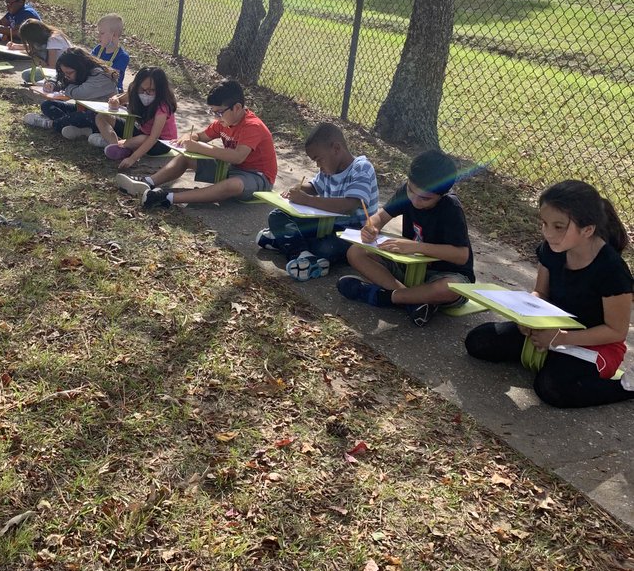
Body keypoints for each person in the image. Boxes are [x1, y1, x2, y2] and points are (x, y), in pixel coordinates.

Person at [465, 181, 633, 408]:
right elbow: (541, 292)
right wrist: (526, 317)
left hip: (595, 345)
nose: (548, 232)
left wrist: (561, 338)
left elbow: (616, 332)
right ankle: (553, 360)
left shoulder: (612, 271)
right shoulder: (552, 249)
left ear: (587, 230)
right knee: (478, 341)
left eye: (558, 226)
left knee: (552, 388)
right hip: (548, 330)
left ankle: (626, 386)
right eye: (544, 223)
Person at [337, 149, 474, 327]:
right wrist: (371, 227)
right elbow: (381, 216)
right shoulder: (407, 191)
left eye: (425, 199)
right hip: (408, 267)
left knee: (449, 288)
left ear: (442, 195)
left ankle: (384, 296)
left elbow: (461, 255)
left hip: (444, 274)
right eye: (410, 190)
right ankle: (415, 302)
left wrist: (416, 246)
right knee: (356, 252)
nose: (415, 201)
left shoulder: (451, 207)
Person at [116, 80, 276, 210]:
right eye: (213, 112)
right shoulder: (224, 121)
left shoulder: (253, 126)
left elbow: (238, 157)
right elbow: (200, 136)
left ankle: (167, 198)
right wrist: (188, 137)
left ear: (237, 108)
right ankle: (148, 182)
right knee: (185, 158)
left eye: (219, 113)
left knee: (232, 185)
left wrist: (198, 147)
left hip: (258, 177)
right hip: (231, 169)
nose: (216, 117)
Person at [256, 123, 379, 281]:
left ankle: (286, 242)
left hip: (353, 233)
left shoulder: (361, 168)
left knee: (325, 249)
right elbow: (314, 186)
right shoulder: (329, 170)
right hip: (324, 225)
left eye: (318, 159)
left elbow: (348, 205)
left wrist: (307, 200)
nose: (317, 165)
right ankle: (303, 254)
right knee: (277, 215)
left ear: (336, 148)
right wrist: (297, 190)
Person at [90, 67, 178, 168]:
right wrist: (115, 101)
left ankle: (120, 145)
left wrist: (133, 159)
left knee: (143, 138)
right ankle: (116, 146)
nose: (145, 94)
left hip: (161, 143)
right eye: (142, 89)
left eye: (151, 90)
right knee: (101, 117)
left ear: (160, 89)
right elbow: (118, 98)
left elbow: (153, 137)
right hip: (142, 132)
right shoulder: (135, 92)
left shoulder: (162, 107)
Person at [23, 47, 118, 136]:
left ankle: (50, 123)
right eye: (64, 73)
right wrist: (52, 83)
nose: (66, 76)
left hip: (101, 116)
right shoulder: (80, 73)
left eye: (69, 73)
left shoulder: (102, 76)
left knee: (80, 117)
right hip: (82, 109)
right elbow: (61, 78)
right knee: (47, 105)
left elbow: (79, 93)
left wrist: (64, 86)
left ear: (80, 67)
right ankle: (75, 127)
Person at [92, 13, 129, 93]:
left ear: (114, 35)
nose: (98, 36)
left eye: (102, 33)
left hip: (112, 90)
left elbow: (112, 76)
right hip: (95, 85)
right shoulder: (97, 49)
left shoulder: (122, 56)